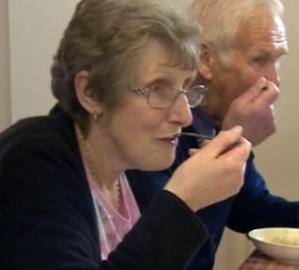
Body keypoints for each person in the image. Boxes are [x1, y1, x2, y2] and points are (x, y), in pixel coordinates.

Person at [0, 0, 252, 269]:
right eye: (158, 88)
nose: (185, 115)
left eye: (186, 88)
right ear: (91, 93)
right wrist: (183, 200)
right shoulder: (32, 164)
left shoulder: (131, 164)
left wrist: (201, 198)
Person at [154, 0, 299, 268]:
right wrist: (233, 143)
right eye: (259, 60)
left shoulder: (219, 120)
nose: (274, 80)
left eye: (277, 60)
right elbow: (182, 258)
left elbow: (248, 208)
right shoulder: (164, 126)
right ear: (205, 59)